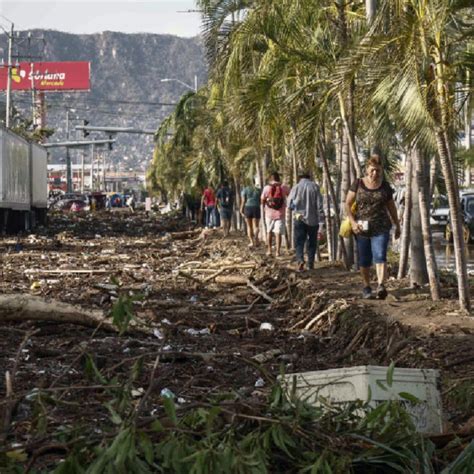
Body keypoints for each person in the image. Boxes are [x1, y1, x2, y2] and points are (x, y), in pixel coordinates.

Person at [345, 154, 401, 299]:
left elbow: (391, 207)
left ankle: (381, 286)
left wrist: (397, 225)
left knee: (380, 255)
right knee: (364, 259)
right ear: (367, 170)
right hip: (361, 228)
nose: (375, 173)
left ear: (381, 170)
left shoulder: (385, 187)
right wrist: (352, 222)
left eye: (378, 170)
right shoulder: (358, 184)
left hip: (381, 227)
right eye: (372, 170)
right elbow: (347, 204)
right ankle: (366, 287)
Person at [288, 171, 324, 271]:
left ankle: (300, 260)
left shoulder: (296, 187)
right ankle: (310, 264)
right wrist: (321, 220)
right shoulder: (315, 187)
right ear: (310, 176)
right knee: (312, 242)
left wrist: (296, 209)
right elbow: (320, 205)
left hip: (299, 218)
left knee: (299, 241)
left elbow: (289, 204)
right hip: (313, 220)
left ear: (300, 177)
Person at [261, 172, 290, 257]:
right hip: (280, 213)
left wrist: (264, 207)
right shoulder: (283, 187)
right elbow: (290, 195)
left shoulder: (266, 188)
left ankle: (269, 250)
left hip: (269, 213)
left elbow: (262, 199)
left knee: (269, 231)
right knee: (278, 233)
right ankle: (277, 251)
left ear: (271, 178)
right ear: (278, 178)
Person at [240, 178, 262, 247]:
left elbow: (243, 201)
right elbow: (260, 201)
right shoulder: (258, 190)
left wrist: (241, 209)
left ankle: (252, 242)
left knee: (249, 226)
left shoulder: (245, 190)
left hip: (248, 207)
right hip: (256, 207)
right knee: (256, 226)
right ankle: (256, 238)